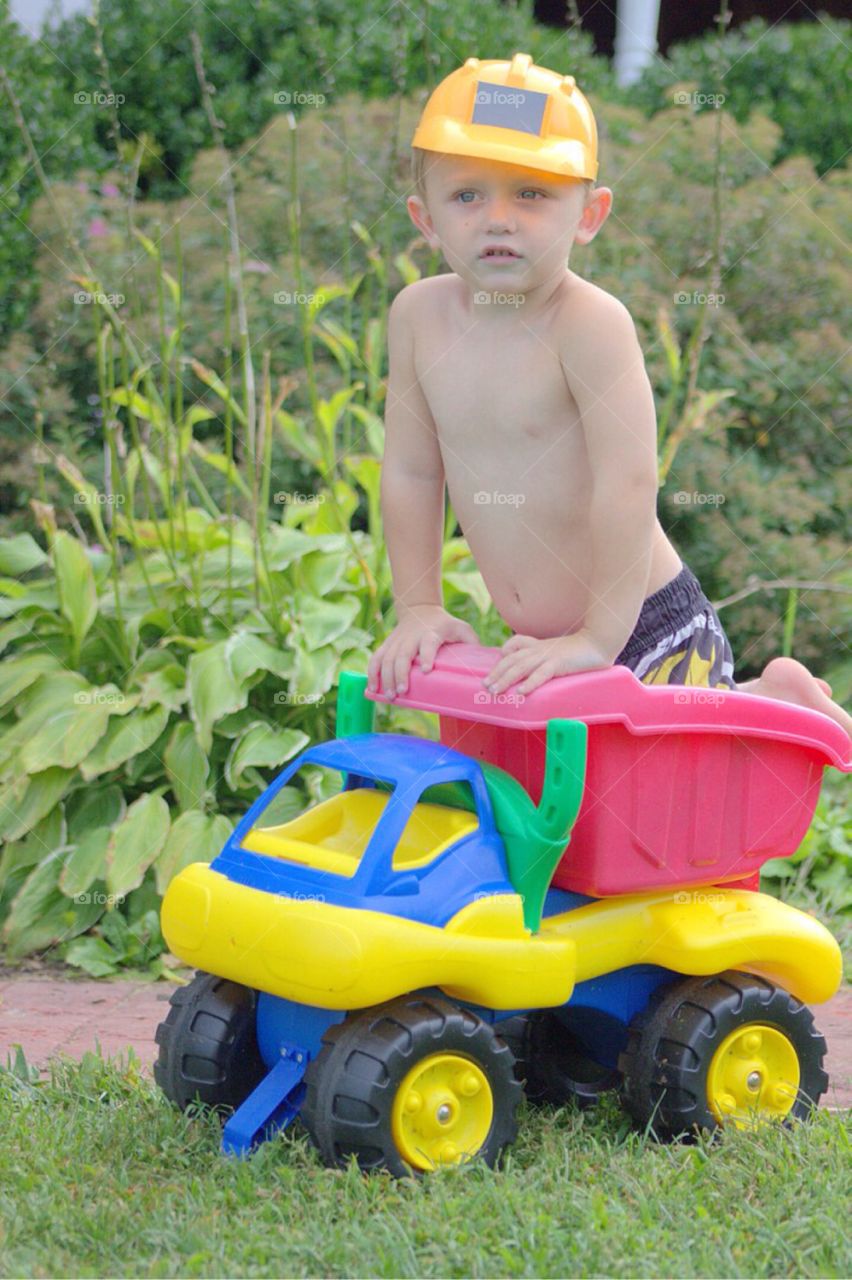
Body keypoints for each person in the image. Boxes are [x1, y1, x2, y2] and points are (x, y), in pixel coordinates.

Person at [365, 52, 852, 745]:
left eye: (530, 194)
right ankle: (759, 694)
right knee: (578, 817)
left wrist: (599, 635)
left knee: (691, 785)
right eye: (467, 195)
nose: (498, 219)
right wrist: (418, 608)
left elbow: (629, 482)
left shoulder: (587, 324)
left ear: (589, 214)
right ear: (426, 218)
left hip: (643, 623)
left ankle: (773, 702)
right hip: (541, 639)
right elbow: (412, 472)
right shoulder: (418, 318)